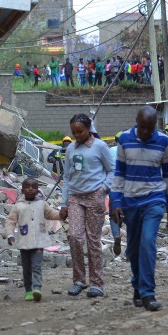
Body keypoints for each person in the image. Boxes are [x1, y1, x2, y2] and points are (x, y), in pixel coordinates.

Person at [111, 106, 168, 312]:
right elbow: (119, 172)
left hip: (154, 199)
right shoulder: (125, 140)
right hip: (130, 201)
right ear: (136, 122)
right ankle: (137, 285)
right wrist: (116, 201)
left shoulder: (164, 141)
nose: (146, 132)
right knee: (134, 249)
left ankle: (148, 292)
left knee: (148, 243)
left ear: (155, 125)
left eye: (150, 128)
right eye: (142, 127)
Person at [59, 113, 115, 298]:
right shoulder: (70, 149)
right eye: (74, 132)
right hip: (75, 197)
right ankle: (79, 280)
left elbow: (112, 170)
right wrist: (64, 203)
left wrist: (103, 190)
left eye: (80, 131)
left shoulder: (100, 146)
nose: (77, 135)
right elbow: (66, 177)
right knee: (74, 237)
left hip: (94, 198)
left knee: (93, 240)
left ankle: (96, 283)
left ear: (89, 129)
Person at [6, 177, 62, 301]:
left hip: (39, 241)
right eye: (27, 187)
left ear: (38, 190)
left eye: (34, 187)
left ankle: (37, 288)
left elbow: (51, 214)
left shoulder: (42, 204)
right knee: (26, 268)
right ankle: (28, 290)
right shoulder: (18, 206)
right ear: (22, 189)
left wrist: (62, 215)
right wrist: (10, 235)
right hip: (24, 242)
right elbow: (10, 222)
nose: (30, 189)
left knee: (36, 266)